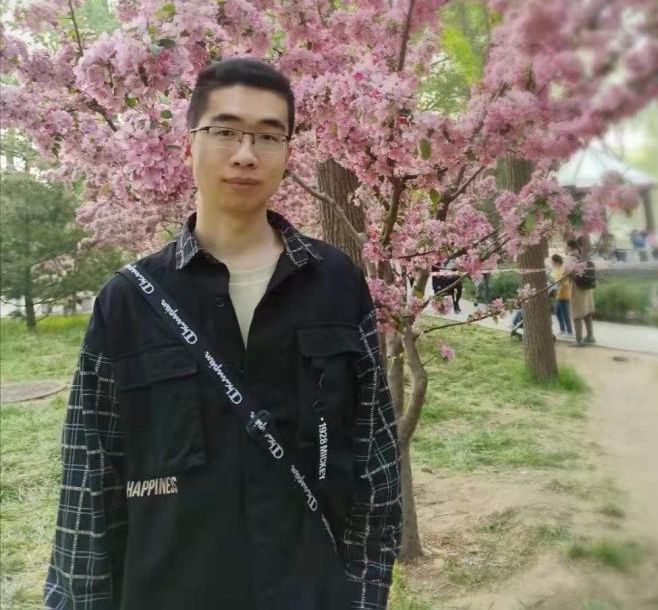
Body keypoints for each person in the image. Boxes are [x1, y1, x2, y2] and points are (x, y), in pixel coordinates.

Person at [45, 58, 402, 610]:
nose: (245, 154)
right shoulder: (128, 301)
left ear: (287, 152)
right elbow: (90, 486)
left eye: (268, 136)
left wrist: (365, 595)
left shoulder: (337, 284)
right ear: (187, 145)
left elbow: (375, 462)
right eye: (225, 131)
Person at [565, 238, 596, 346]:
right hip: (587, 288)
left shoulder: (570, 258)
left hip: (577, 289)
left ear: (569, 247)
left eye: (565, 246)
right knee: (587, 313)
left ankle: (578, 340)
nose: (565, 248)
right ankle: (590, 336)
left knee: (577, 314)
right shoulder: (583, 256)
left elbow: (566, 272)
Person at [549, 254, 573, 338]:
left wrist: (556, 283)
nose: (551, 263)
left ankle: (569, 332)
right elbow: (556, 280)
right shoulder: (556, 269)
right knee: (557, 312)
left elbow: (564, 281)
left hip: (564, 294)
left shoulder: (563, 269)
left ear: (555, 261)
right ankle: (563, 330)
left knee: (565, 314)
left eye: (552, 261)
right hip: (558, 295)